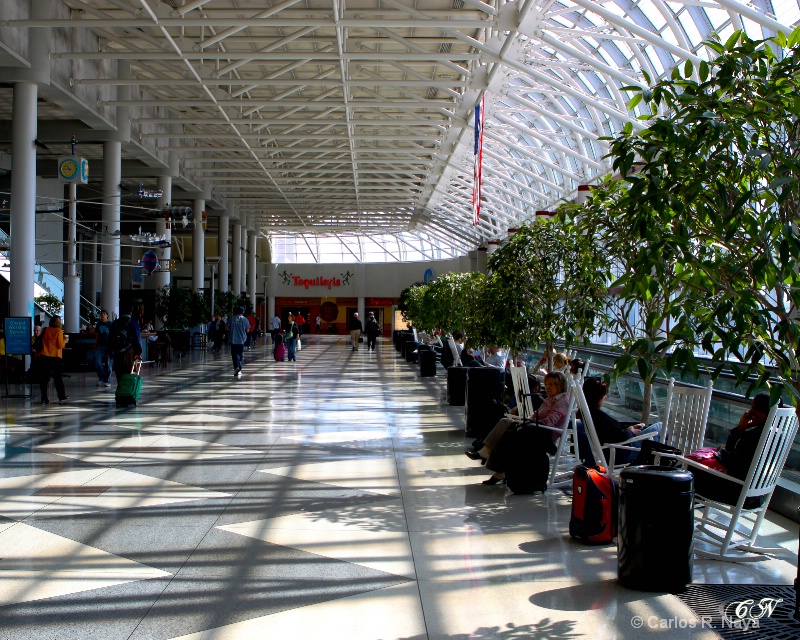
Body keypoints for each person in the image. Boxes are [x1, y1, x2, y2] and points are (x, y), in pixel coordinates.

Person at [466, 371, 571, 485]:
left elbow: (549, 421)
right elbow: (537, 414)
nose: (547, 387)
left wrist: (529, 421)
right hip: (536, 428)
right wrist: (527, 419)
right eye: (546, 384)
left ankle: (498, 468)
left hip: (545, 435)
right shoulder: (550, 399)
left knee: (510, 433)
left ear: (560, 385)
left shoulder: (562, 402)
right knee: (505, 422)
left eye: (551, 384)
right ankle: (486, 453)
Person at [688, 393, 771, 507]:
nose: (751, 411)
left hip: (738, 494)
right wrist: (741, 428)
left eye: (756, 408)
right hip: (756, 497)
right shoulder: (775, 435)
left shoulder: (757, 436)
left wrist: (722, 451)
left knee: (689, 471)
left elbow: (736, 463)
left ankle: (683, 509)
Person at [576, 377, 661, 465]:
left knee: (656, 428)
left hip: (613, 450)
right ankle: (664, 463)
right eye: (604, 394)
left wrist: (629, 428)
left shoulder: (587, 413)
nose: (605, 397)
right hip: (623, 452)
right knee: (660, 427)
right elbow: (621, 437)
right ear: (597, 397)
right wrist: (630, 431)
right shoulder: (599, 416)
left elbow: (613, 432)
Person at [38, 316, 69, 405]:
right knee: (57, 378)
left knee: (44, 378)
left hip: (44, 355)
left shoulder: (46, 330)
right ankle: (61, 396)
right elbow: (60, 345)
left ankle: (44, 397)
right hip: (55, 357)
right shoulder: (59, 331)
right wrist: (65, 340)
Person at [110, 304, 143, 382]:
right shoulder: (133, 322)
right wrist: (138, 352)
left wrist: (110, 352)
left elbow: (110, 339)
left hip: (117, 354)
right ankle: (127, 393)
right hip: (129, 354)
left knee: (119, 377)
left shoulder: (114, 323)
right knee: (128, 376)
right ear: (130, 313)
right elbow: (137, 339)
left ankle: (121, 392)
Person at [227, 306, 250, 376]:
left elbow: (226, 327)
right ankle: (239, 368)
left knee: (234, 354)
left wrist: (232, 330)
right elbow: (247, 330)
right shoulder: (245, 319)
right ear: (243, 312)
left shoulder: (232, 318)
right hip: (241, 340)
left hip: (233, 339)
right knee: (240, 354)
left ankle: (236, 367)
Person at [94, 309, 113, 387]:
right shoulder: (98, 324)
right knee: (97, 363)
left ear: (107, 315)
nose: (102, 315)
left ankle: (107, 379)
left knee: (108, 365)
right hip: (99, 346)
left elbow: (113, 336)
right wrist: (95, 345)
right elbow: (97, 335)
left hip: (108, 346)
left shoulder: (110, 324)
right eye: (102, 313)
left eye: (104, 313)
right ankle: (101, 378)